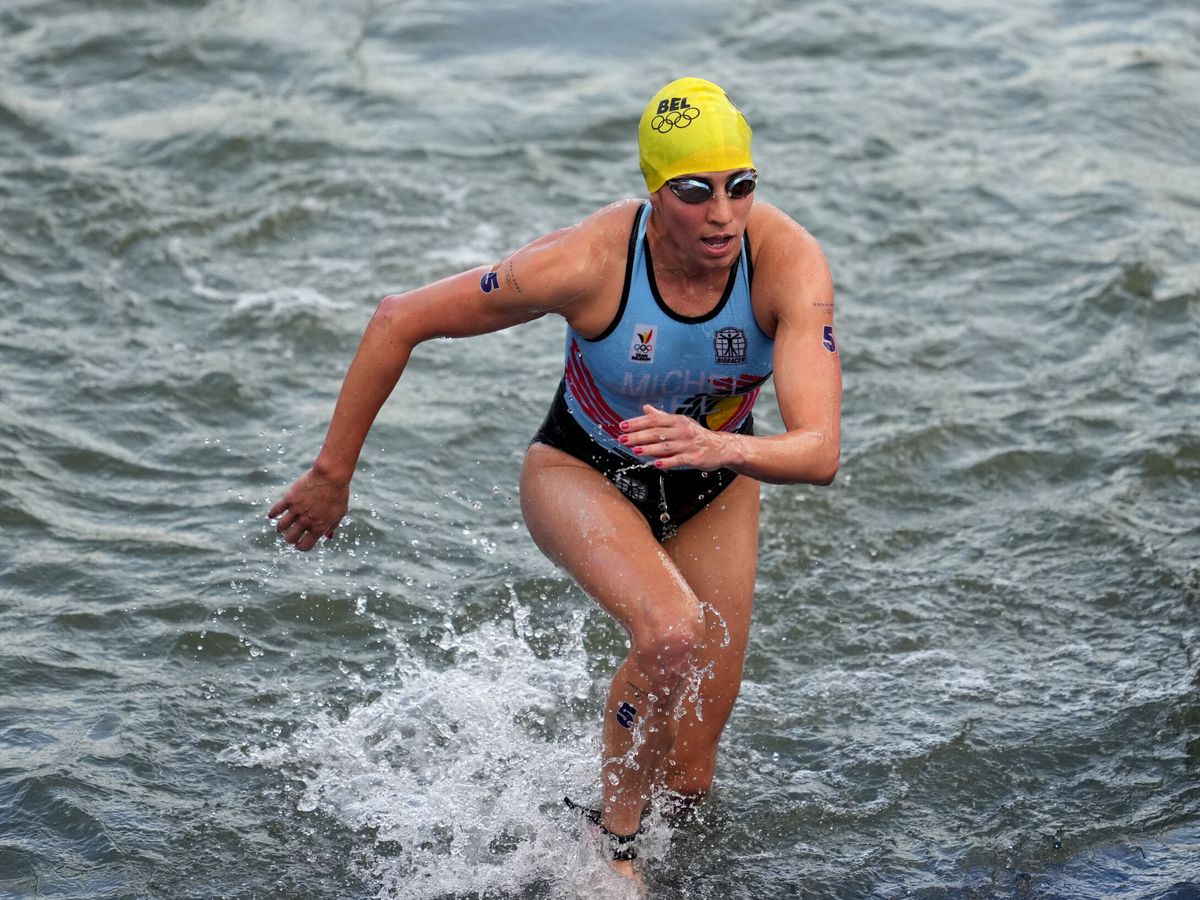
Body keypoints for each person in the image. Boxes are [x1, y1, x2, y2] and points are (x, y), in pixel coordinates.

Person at [268, 76, 841, 882]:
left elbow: (819, 452)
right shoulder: (586, 263)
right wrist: (333, 473)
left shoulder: (786, 263)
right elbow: (400, 317)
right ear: (653, 191)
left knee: (692, 777)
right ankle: (612, 852)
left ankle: (641, 830)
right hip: (582, 468)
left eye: (741, 186)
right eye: (694, 190)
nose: (722, 214)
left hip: (715, 479)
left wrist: (720, 451)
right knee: (671, 632)